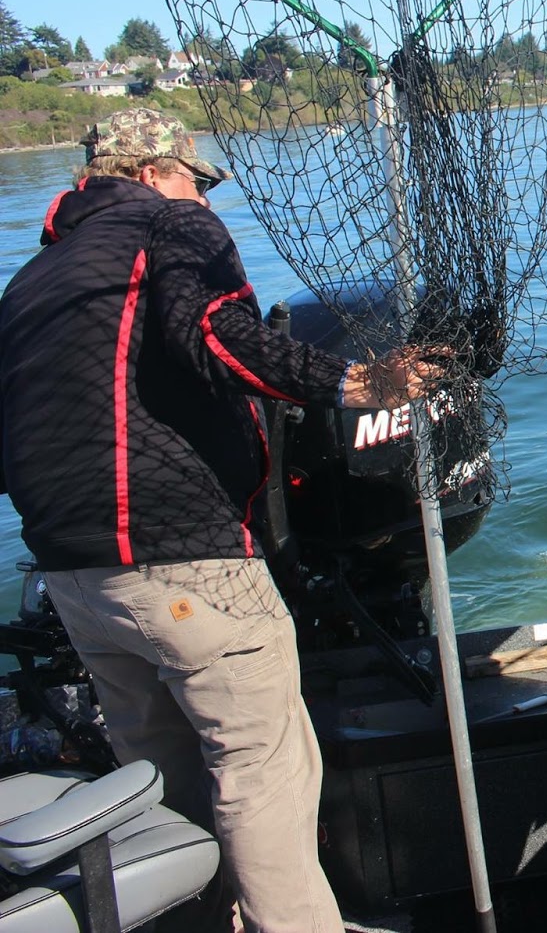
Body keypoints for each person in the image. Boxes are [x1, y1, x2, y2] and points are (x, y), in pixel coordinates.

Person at [0, 107, 447, 933]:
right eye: (195, 180)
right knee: (263, 771)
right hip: (186, 563)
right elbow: (216, 334)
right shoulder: (170, 227)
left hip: (73, 578)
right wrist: (358, 385)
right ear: (150, 174)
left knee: (159, 787)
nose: (207, 200)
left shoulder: (32, 280)